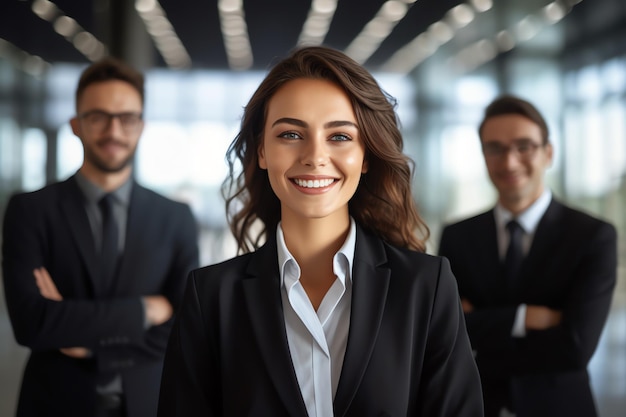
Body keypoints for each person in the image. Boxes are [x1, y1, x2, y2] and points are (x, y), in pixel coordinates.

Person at [157, 46, 483, 417]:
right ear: (262, 150)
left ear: (366, 155)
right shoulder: (210, 298)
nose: (314, 156)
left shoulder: (426, 287)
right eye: (291, 134)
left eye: (340, 136)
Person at [1, 57, 199, 417]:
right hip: (54, 403)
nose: (114, 131)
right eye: (98, 117)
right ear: (76, 125)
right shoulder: (30, 210)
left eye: (127, 118)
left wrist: (85, 342)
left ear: (141, 126)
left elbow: (183, 330)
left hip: (150, 402)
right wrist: (144, 310)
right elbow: (31, 324)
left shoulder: (176, 217)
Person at [438, 95, 617, 417]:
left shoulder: (593, 236)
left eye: (524, 146)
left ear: (548, 153)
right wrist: (524, 318)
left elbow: (575, 348)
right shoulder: (457, 236)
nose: (509, 162)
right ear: (483, 155)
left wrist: (481, 327)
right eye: (495, 148)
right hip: (478, 407)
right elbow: (446, 332)